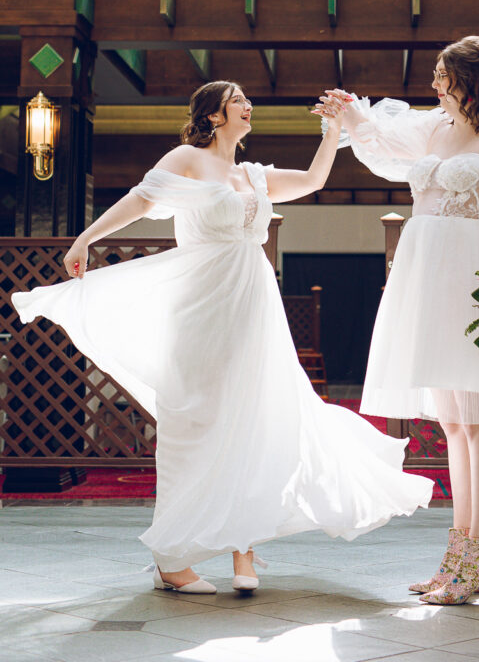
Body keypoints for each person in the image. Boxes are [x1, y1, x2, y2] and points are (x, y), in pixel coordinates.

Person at [12, 80, 432, 595]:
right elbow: (140, 202)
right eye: (237, 100)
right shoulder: (187, 158)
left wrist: (334, 131)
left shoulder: (252, 175)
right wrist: (86, 237)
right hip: (201, 305)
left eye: (246, 100)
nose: (247, 105)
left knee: (255, 420)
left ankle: (244, 548)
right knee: (196, 421)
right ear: (213, 115)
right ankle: (172, 558)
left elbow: (314, 180)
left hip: (253, 303)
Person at [318, 36, 479, 605]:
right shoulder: (434, 129)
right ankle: (457, 559)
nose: (435, 86)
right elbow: (380, 139)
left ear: (471, 80)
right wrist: (349, 113)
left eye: (443, 76)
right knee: (453, 426)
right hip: (426, 280)